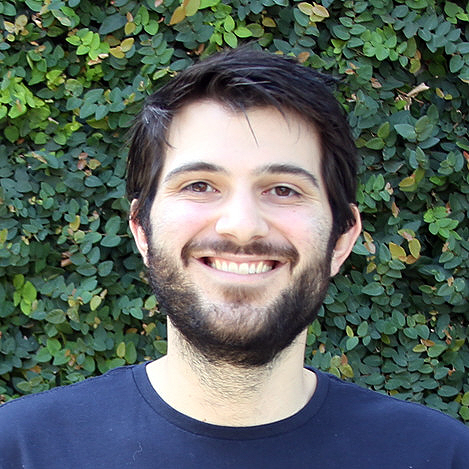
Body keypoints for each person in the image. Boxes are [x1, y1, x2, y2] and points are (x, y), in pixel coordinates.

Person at [1, 47, 468, 468]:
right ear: (141, 228)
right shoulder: (21, 450)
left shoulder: (440, 456)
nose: (242, 225)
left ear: (342, 238)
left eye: (283, 190)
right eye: (200, 185)